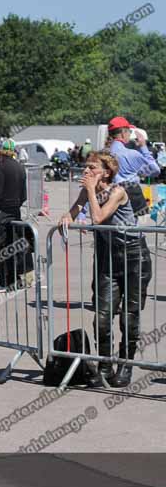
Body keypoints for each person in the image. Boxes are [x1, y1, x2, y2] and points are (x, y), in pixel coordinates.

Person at [58, 151, 152, 388]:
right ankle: (104, 365)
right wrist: (65, 219)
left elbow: (98, 217)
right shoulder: (87, 191)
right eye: (85, 167)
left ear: (107, 172)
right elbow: (73, 212)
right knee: (102, 316)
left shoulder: (118, 191)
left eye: (92, 168)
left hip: (133, 257)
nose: (86, 172)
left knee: (129, 317)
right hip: (106, 257)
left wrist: (89, 190)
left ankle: (125, 365)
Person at [0, 139, 35, 291]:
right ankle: (18, 277)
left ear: (1, 151)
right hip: (15, 211)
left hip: (2, 212)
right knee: (15, 245)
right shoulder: (20, 168)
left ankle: (6, 280)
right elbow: (23, 195)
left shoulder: (1, 167)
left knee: (0, 246)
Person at [106, 116, 159, 215]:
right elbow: (155, 170)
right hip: (130, 197)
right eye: (129, 131)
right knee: (132, 227)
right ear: (123, 133)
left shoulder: (102, 154)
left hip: (108, 197)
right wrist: (143, 146)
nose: (130, 134)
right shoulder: (132, 154)